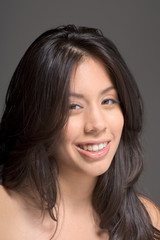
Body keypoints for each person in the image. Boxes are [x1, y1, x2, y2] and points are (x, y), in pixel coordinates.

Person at [0, 25, 159, 240]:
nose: (97, 124)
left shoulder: (146, 218)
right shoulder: (4, 210)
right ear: (37, 115)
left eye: (108, 101)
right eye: (73, 106)